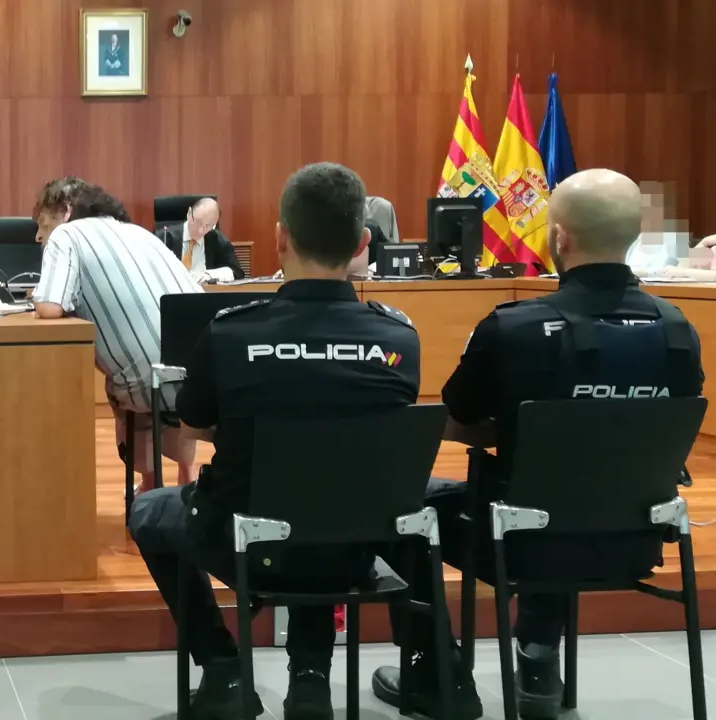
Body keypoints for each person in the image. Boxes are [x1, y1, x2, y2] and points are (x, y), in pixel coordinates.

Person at [371, 169, 705, 720]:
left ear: (559, 237)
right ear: (631, 236)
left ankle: (437, 676)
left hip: (521, 543)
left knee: (403, 505)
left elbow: (456, 415)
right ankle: (538, 660)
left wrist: (523, 429)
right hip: (637, 539)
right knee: (568, 488)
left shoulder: (515, 328)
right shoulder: (677, 331)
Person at [130, 163, 420, 720]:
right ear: (363, 243)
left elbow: (193, 429)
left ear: (281, 237)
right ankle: (310, 678)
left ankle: (223, 670)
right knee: (323, 498)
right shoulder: (398, 338)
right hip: (354, 548)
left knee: (149, 513)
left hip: (244, 542)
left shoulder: (231, 332)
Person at [31, 177, 201, 490]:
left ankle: (150, 481)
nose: (39, 236)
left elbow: (51, 307)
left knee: (124, 384)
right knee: (160, 366)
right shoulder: (141, 233)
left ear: (65, 211)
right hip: (203, 378)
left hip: (150, 386)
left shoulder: (67, 234)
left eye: (43, 224)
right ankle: (186, 472)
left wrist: (36, 297)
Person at [155, 198, 246, 282]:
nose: (201, 230)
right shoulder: (164, 238)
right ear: (189, 213)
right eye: (197, 222)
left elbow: (237, 272)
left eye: (207, 226)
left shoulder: (217, 240)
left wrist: (209, 275)